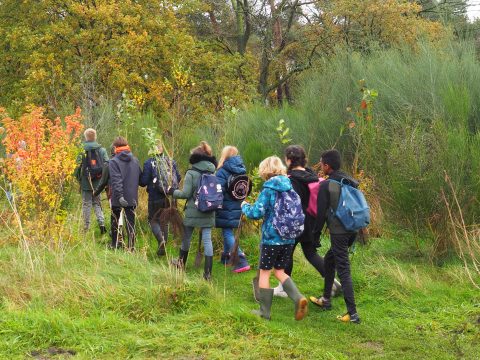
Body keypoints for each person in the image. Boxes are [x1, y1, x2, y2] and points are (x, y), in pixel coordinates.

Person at [242, 156, 308, 321]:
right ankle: (298, 297)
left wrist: (244, 206)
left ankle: (264, 312)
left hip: (272, 239)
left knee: (265, 273)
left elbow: (256, 213)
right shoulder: (289, 187)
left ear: (265, 171)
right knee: (280, 271)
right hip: (288, 238)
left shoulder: (269, 189)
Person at [273, 145, 341, 298]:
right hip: (312, 221)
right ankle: (333, 281)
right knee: (310, 252)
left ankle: (283, 288)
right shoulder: (312, 175)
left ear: (289, 160)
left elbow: (292, 204)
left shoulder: (292, 180)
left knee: (287, 252)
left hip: (296, 222)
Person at [309, 149, 361, 324]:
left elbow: (321, 214)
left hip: (339, 232)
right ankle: (326, 300)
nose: (321, 167)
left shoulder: (326, 185)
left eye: (322, 164)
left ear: (327, 166)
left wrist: (315, 237)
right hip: (353, 229)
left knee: (343, 268)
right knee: (330, 260)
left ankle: (352, 314)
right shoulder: (349, 180)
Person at [168, 141, 216, 280]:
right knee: (207, 240)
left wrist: (172, 191)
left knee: (186, 237)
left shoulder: (191, 173)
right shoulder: (213, 171)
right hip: (209, 209)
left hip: (193, 210)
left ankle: (181, 264)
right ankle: (207, 274)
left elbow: (185, 194)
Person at [140, 141, 181, 256]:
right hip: (169, 197)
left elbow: (143, 182)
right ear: (162, 149)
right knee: (165, 221)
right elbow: (178, 177)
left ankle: (161, 240)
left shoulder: (149, 162)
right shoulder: (170, 161)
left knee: (152, 220)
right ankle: (163, 246)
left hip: (155, 196)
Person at [215, 146, 251, 273]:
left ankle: (241, 260)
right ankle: (226, 258)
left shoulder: (222, 171)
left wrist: (215, 205)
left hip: (225, 206)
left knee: (227, 232)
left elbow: (218, 191)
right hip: (237, 205)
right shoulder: (241, 170)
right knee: (228, 230)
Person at [109, 137, 141, 250]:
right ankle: (131, 247)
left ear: (115, 147)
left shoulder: (113, 161)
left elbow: (116, 180)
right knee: (130, 223)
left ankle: (114, 245)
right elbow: (141, 180)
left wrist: (120, 196)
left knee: (115, 220)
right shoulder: (135, 160)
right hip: (132, 197)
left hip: (118, 197)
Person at [74, 128, 109, 233]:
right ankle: (102, 223)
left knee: (86, 204)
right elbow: (107, 164)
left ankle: (86, 227)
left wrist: (79, 179)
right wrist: (104, 180)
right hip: (98, 183)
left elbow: (77, 167)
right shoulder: (101, 150)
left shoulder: (81, 150)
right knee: (97, 203)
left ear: (86, 137)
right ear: (95, 137)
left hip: (85, 182)